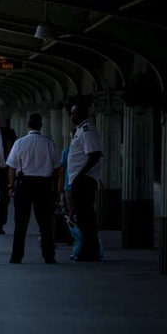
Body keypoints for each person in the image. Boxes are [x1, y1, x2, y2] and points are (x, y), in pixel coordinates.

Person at [5, 113, 61, 264]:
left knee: (20, 223)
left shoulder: (19, 143)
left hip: (24, 184)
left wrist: (11, 186)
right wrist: (57, 190)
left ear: (27, 125)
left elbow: (11, 168)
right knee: (45, 223)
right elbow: (57, 169)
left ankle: (16, 256)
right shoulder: (49, 143)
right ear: (41, 125)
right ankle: (49, 256)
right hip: (44, 185)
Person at [67, 103, 103, 262]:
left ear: (82, 114)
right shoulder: (81, 130)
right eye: (71, 113)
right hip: (80, 179)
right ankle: (88, 249)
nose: (72, 116)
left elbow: (94, 154)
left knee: (86, 216)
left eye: (74, 113)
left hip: (84, 180)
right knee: (82, 216)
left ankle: (90, 251)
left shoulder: (87, 130)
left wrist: (81, 174)